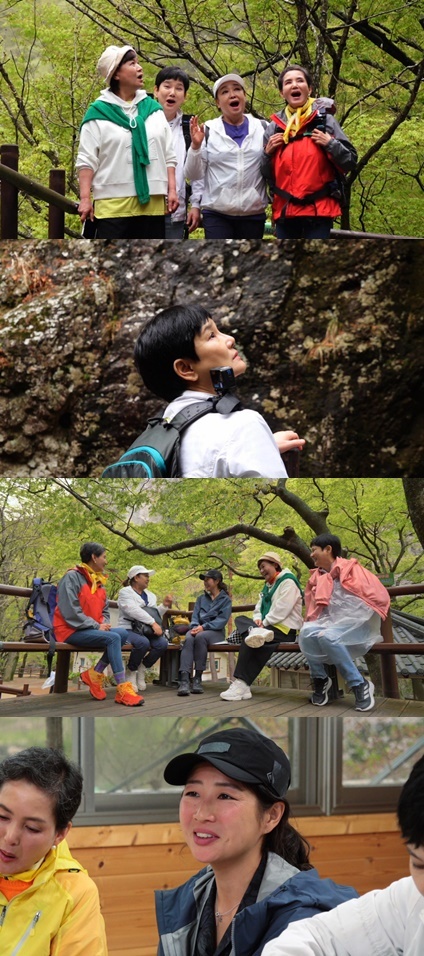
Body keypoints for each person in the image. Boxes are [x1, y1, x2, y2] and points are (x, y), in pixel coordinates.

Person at [155, 727, 358, 956]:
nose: (201, 814)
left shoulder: (301, 922)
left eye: (225, 796)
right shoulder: (186, 906)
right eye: (193, 793)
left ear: (271, 816)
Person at [261, 751, 424, 956]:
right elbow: (318, 936)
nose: (206, 814)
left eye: (226, 796)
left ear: (273, 814)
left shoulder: (291, 900)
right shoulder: (409, 900)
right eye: (419, 864)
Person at [133, 304, 305, 478]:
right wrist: (252, 440)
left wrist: (261, 447)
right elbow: (273, 504)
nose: (230, 339)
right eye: (211, 336)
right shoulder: (243, 426)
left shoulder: (158, 438)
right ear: (186, 368)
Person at [0, 746, 107, 955]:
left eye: (32, 828)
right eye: (2, 817)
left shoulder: (76, 893)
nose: (10, 837)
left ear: (60, 834)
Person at [76, 45, 178, 239]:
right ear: (116, 74)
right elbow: (86, 160)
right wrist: (85, 199)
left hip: (153, 205)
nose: (139, 68)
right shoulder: (97, 114)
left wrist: (172, 190)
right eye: (132, 64)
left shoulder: (154, 110)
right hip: (112, 207)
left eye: (138, 63)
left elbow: (169, 155)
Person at [261, 64, 357, 239]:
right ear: (282, 93)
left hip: (319, 211)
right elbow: (267, 174)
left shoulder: (325, 120)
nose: (295, 85)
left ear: (310, 89)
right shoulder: (274, 128)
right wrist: (267, 154)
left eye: (300, 80)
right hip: (286, 211)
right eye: (288, 82)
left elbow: (350, 161)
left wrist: (330, 143)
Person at [299, 533, 390, 712]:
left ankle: (359, 683)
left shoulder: (352, 569)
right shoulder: (316, 578)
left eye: (314, 550)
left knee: (327, 636)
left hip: (359, 623)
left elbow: (376, 594)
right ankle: (320, 679)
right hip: (333, 624)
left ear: (328, 549)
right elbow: (313, 610)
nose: (311, 554)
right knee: (305, 634)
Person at [53, 541, 143, 707]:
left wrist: (104, 624)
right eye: (104, 557)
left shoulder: (99, 583)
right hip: (69, 630)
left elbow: (105, 612)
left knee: (121, 634)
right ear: (94, 558)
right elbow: (69, 610)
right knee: (114, 638)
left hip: (90, 629)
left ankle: (95, 673)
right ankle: (123, 689)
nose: (106, 561)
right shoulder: (71, 577)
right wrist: (96, 626)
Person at [184, 74, 269, 239]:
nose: (232, 94)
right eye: (224, 92)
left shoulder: (263, 128)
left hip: (253, 213)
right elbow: (193, 175)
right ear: (217, 102)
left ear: (244, 96)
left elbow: (272, 170)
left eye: (237, 89)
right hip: (217, 214)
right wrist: (195, 146)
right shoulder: (208, 130)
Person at [220, 552, 303, 701]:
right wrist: (258, 620)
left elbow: (283, 609)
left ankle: (241, 683)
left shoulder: (288, 582)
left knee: (252, 639)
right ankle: (255, 632)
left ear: (275, 565)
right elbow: (258, 609)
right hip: (266, 629)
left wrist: (263, 623)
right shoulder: (267, 587)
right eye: (260, 568)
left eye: (263, 566)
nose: (261, 571)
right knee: (242, 621)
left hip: (284, 630)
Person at [154, 66, 203, 240]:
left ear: (185, 96)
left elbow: (198, 172)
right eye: (167, 86)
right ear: (156, 91)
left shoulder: (189, 128)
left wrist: (195, 205)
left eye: (179, 88)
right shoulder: (141, 123)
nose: (172, 93)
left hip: (176, 211)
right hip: (143, 209)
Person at [177, 569, 232, 696]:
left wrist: (204, 627)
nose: (205, 582)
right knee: (189, 637)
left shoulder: (225, 600)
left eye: (208, 580)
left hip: (215, 632)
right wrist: (195, 627)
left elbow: (222, 620)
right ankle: (184, 680)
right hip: (199, 629)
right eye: (204, 580)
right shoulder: (201, 599)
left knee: (200, 637)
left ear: (217, 581)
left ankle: (197, 678)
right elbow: (195, 616)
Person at [117, 564, 168, 693]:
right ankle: (131, 671)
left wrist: (165, 606)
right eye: (145, 575)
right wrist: (152, 623)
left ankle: (142, 667)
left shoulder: (151, 595)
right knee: (142, 643)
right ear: (136, 577)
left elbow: (154, 613)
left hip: (146, 630)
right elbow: (133, 610)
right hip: (128, 628)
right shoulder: (125, 592)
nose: (148, 578)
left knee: (162, 644)